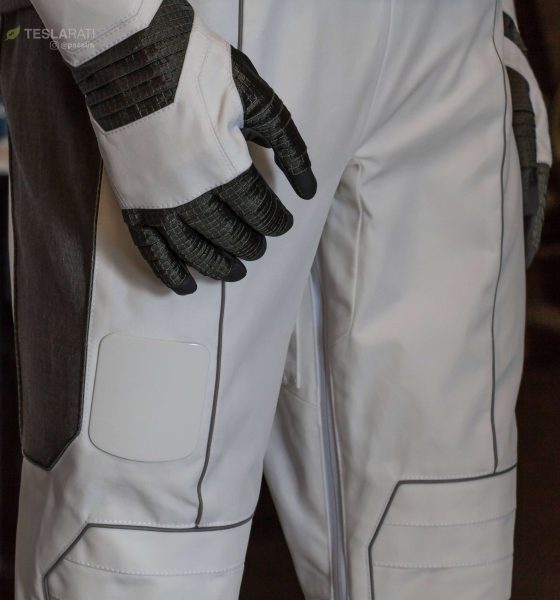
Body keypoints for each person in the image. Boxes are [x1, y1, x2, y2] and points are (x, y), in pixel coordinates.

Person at [0, 0, 551, 598]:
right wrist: (119, 30)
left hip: (452, 40)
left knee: (443, 530)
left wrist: (502, 25)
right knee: (136, 548)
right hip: (196, 33)